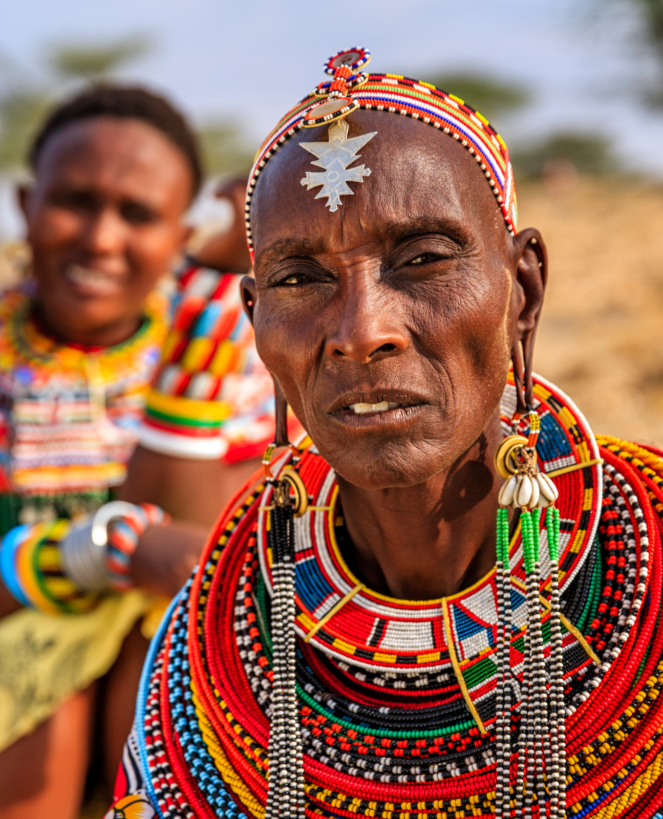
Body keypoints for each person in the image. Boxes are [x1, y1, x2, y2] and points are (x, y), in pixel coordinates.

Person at [109, 47, 663, 819]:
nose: (362, 331)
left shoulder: (652, 554)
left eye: (424, 259)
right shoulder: (212, 629)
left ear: (523, 290)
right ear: (255, 320)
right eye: (300, 279)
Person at [0, 85, 275, 819]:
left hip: (150, 707)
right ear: (24, 206)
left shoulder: (235, 371)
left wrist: (203, 319)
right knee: (47, 647)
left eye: (138, 214)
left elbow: (193, 566)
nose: (100, 237)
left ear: (180, 232)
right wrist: (105, 548)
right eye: (75, 201)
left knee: (165, 637)